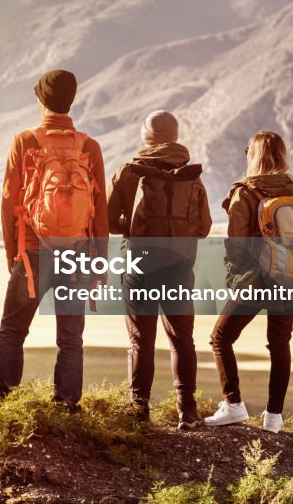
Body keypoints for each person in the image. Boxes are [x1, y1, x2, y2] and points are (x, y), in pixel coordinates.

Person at [0, 69, 110, 411]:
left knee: (12, 333)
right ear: (72, 100)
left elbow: (8, 202)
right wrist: (99, 263)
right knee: (71, 340)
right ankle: (67, 411)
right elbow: (99, 211)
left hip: (31, 252)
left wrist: (12, 254)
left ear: (41, 99)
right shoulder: (89, 147)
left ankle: (5, 409)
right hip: (77, 253)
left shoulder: (25, 140)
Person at [204, 130, 293, 434]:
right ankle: (274, 417)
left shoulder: (245, 192)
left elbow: (235, 244)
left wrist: (237, 277)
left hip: (255, 281)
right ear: (282, 155)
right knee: (280, 345)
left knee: (220, 338)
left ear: (252, 156)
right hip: (292, 280)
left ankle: (233, 406)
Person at [106, 110, 212, 429]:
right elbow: (204, 227)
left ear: (145, 136)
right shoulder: (191, 176)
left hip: (139, 267)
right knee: (182, 339)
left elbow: (110, 222)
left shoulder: (129, 173)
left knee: (141, 341)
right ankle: (188, 410)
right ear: (176, 136)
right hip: (179, 267)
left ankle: (139, 411)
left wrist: (134, 228)